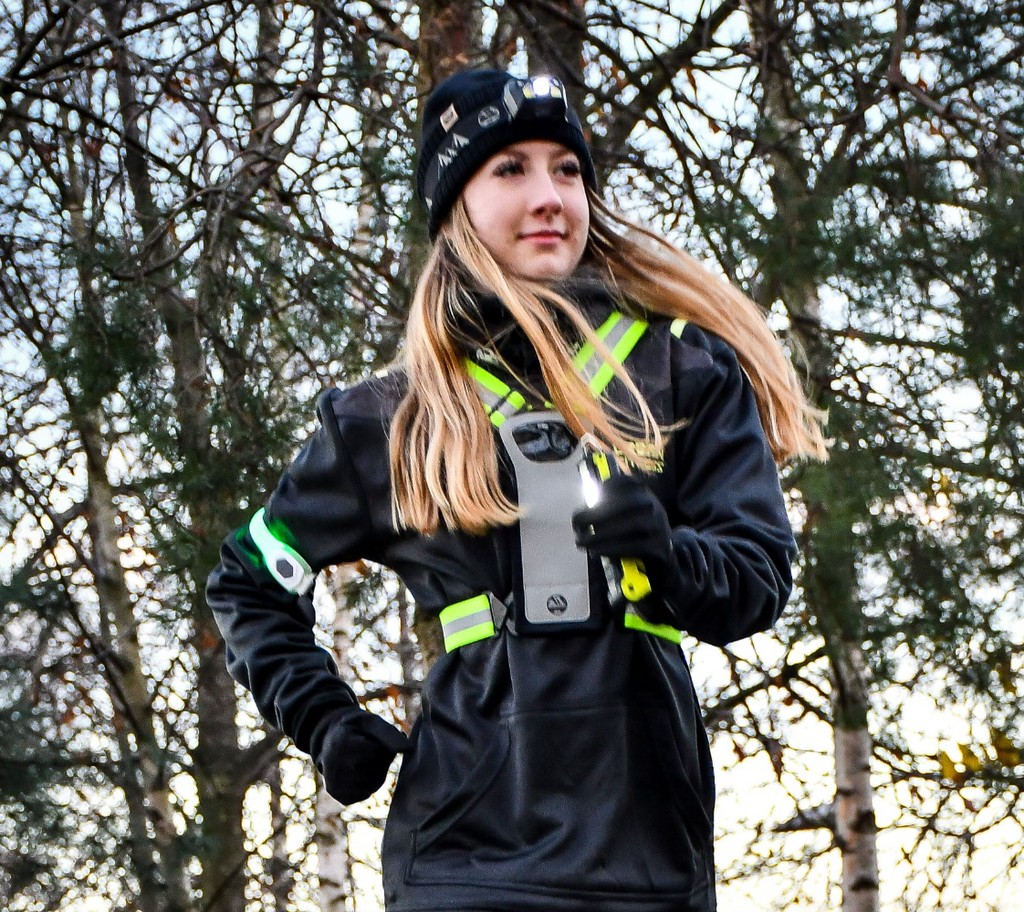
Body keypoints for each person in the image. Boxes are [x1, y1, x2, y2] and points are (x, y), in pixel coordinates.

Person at [207, 69, 826, 912]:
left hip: (646, 859)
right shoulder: (390, 419)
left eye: (566, 169)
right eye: (511, 169)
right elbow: (248, 577)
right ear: (457, 202)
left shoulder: (685, 371)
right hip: (464, 860)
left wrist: (665, 551)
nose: (549, 196)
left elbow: (756, 579)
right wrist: (322, 717)